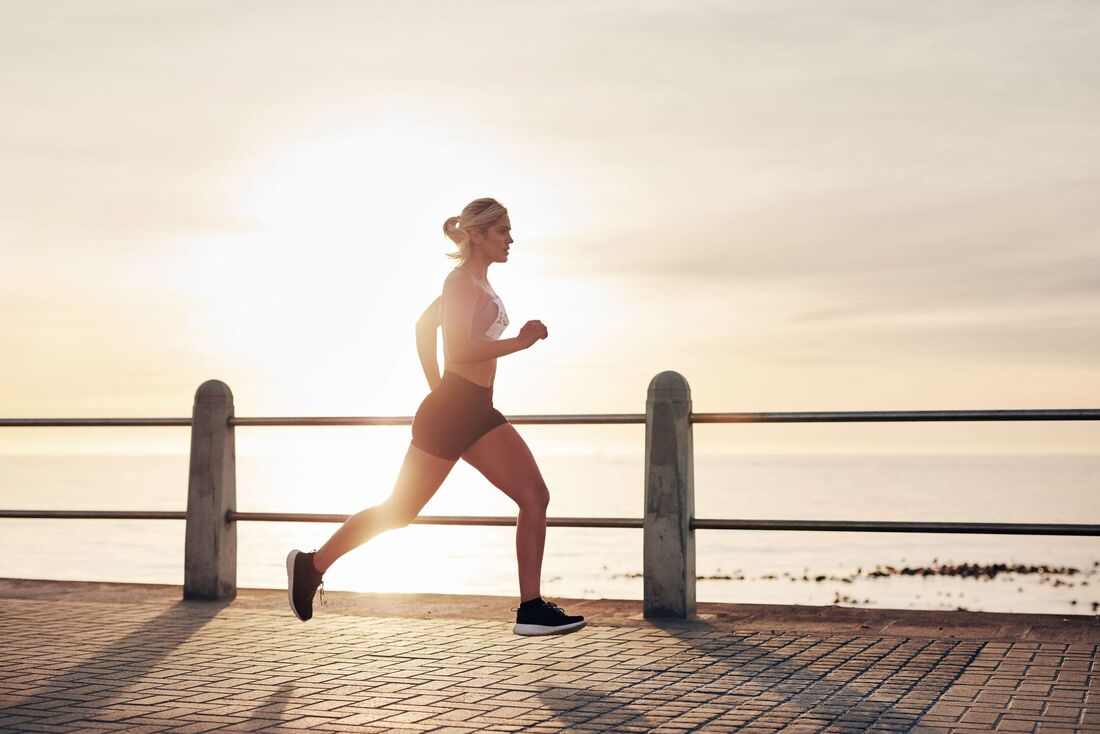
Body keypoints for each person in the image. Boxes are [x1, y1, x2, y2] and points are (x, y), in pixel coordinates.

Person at [286, 197, 586, 636]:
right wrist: (517, 344)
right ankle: (311, 565)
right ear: (478, 235)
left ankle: (531, 608)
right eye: (502, 231)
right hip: (453, 411)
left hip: (476, 409)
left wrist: (439, 388)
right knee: (398, 511)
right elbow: (459, 350)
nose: (511, 239)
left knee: (534, 496)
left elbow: (425, 327)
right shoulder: (459, 281)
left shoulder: (480, 284)